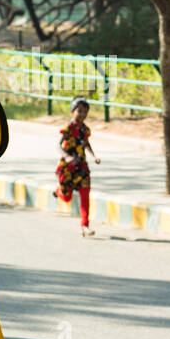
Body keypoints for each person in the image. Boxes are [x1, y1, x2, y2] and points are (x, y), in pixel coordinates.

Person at [53, 96, 102, 237]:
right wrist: (68, 157)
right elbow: (58, 145)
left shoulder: (85, 130)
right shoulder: (68, 128)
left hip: (81, 166)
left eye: (85, 111)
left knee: (85, 194)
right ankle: (59, 191)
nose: (82, 114)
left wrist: (94, 156)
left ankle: (85, 226)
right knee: (67, 197)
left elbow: (86, 143)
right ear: (73, 111)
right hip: (67, 167)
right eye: (79, 111)